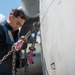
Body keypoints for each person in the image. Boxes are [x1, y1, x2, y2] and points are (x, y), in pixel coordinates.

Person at [0, 9, 26, 75]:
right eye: (17, 23)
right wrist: (14, 48)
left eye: (20, 25)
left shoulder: (15, 34)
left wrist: (23, 61)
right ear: (10, 17)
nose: (18, 27)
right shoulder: (1, 29)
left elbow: (14, 58)